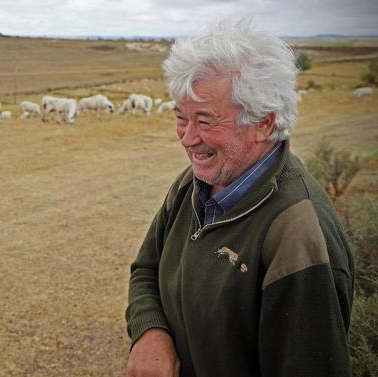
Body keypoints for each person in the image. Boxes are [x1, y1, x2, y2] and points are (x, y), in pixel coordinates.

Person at [125, 20, 354, 377]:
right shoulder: (192, 185)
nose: (187, 138)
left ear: (264, 123)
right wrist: (151, 332)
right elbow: (146, 269)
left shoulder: (297, 232)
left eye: (204, 120)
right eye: (181, 118)